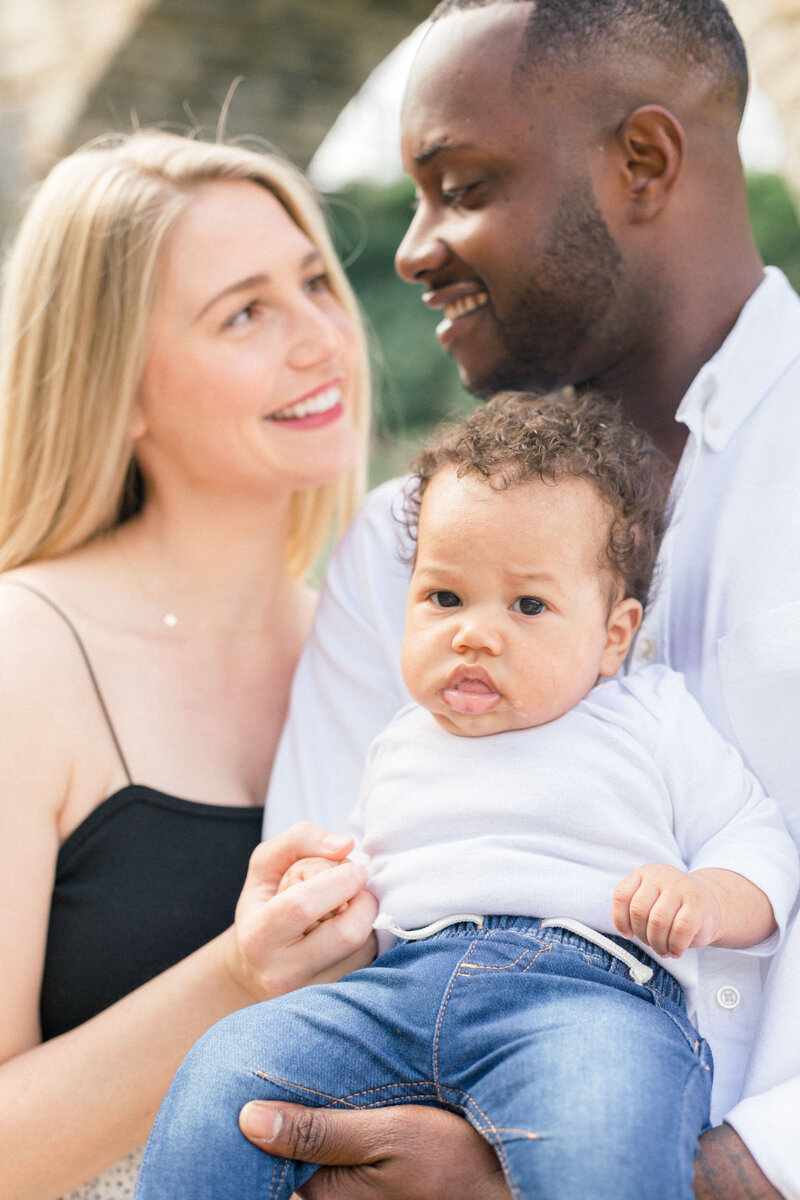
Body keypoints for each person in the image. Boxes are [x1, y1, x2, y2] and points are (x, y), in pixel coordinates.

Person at [230, 2, 800, 1198]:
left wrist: (692, 1174)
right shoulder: (397, 546)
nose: (409, 246)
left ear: (640, 162)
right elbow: (340, 938)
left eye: (462, 184)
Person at [134, 392, 798, 1200]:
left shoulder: (647, 715)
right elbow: (365, 898)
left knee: (604, 1130)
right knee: (228, 1069)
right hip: (397, 987)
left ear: (613, 636)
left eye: (528, 605)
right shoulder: (399, 741)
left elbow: (753, 840)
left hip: (583, 995)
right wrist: (324, 902)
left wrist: (704, 898)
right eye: (444, 598)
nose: (473, 633)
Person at [0, 128, 380, 1200]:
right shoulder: (24, 658)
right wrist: (235, 978)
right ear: (116, 387)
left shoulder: (391, 649)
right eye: (245, 312)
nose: (322, 338)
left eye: (314, 282)